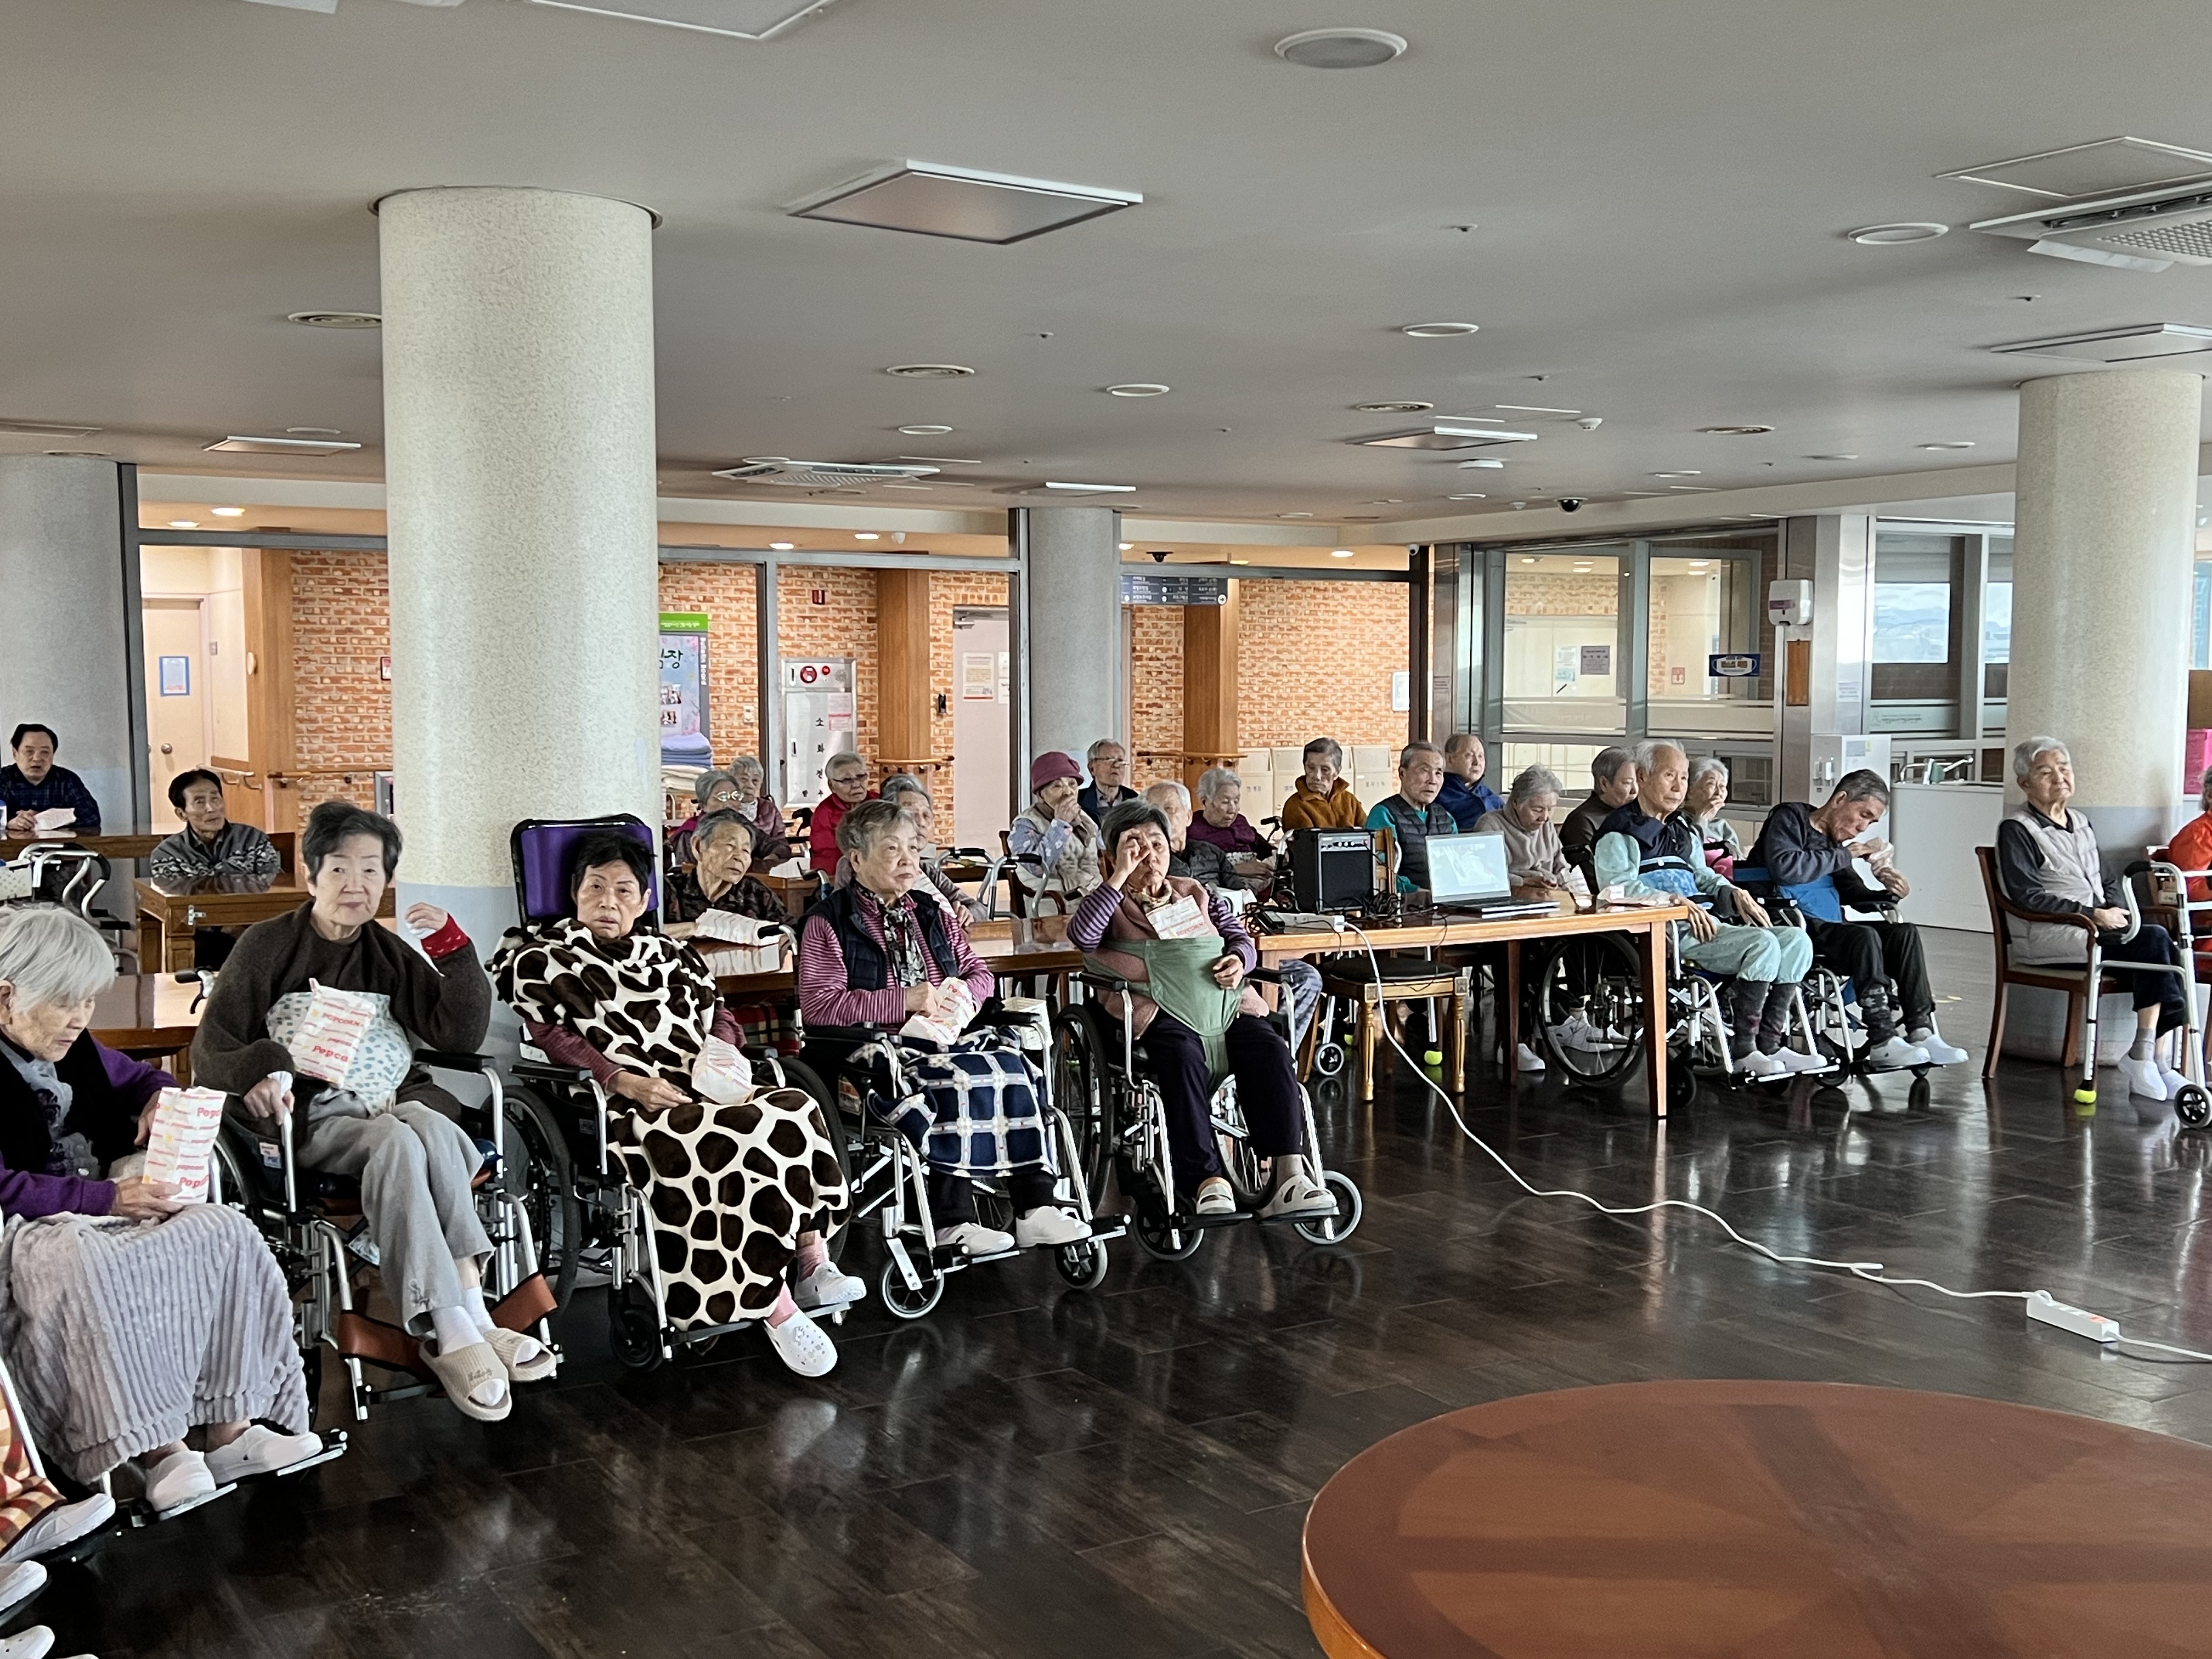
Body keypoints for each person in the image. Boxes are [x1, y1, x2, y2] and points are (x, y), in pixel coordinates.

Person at [191, 800, 550, 1423]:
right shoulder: (268, 945)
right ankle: (447, 1326)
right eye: (339, 869)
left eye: (370, 871)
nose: (354, 885)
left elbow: (455, 1033)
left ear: (386, 881)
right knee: (396, 1140)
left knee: (434, 1126)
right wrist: (263, 1068)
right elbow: (212, 1046)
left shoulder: (385, 951)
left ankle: (474, 1310)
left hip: (392, 1100)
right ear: (311, 875)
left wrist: (454, 952)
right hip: (315, 1115)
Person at [490, 831, 856, 1376]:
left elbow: (720, 1014)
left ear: (644, 900)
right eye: (595, 887)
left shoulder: (672, 955)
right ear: (573, 893)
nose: (608, 902)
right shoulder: (544, 960)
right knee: (713, 1138)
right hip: (631, 1105)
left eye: (623, 890)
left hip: (706, 1086)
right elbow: (554, 1037)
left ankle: (811, 1260)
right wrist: (623, 1080)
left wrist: (720, 1055)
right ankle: (777, 1308)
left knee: (792, 1108)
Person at [0, 906, 326, 1513]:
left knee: (225, 1230)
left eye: (88, 1001)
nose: (80, 1018)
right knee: (93, 1262)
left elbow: (147, 1080)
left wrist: (158, 1099)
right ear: (7, 997)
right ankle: (162, 1453)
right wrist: (101, 1198)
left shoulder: (77, 1047)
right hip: (31, 1227)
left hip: (105, 1205)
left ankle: (232, 1433)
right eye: (65, 1002)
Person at [798, 800, 1088, 1256]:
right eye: (891, 849)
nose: (908, 859)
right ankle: (953, 1220)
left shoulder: (931, 912)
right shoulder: (827, 921)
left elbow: (979, 972)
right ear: (856, 858)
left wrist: (963, 998)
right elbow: (820, 1008)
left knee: (1012, 1063)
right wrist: (904, 1000)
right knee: (954, 1076)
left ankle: (1035, 1206)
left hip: (945, 1035)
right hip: (873, 1047)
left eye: (913, 848)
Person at [1069, 802, 1333, 1220]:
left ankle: (1290, 1175)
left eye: (1157, 843)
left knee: (1269, 1048)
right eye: (1134, 845)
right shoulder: (1108, 903)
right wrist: (1118, 876)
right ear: (1113, 854)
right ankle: (1205, 1179)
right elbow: (1083, 938)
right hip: (1158, 1010)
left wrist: (1239, 961)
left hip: (1222, 1005)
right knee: (1181, 1055)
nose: (1148, 854)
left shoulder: (1194, 892)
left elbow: (1239, 937)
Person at [1593, 741, 1824, 1080]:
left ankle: (1771, 1045)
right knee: (1762, 944)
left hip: (1707, 924)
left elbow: (1702, 874)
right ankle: (1744, 1050)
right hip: (1669, 933)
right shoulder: (1619, 832)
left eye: (1684, 778)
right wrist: (1672, 901)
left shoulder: (1681, 829)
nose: (1679, 786)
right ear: (1642, 777)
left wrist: (1733, 890)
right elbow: (1615, 888)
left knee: (1796, 941)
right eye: (1669, 776)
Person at [1997, 736, 2190, 1101]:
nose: (2059, 778)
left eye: (2064, 768)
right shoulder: (2017, 829)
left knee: (2163, 946)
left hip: (2093, 931)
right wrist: (2092, 914)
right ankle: (2147, 1057)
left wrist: (2117, 913)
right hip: (2051, 933)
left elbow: (2107, 881)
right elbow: (2026, 896)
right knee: (2154, 942)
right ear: (2025, 783)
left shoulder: (2081, 822)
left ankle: (2154, 1057)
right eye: (2045, 772)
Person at [1750, 770, 1968, 1069]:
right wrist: (1846, 855)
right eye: (1863, 815)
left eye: (1871, 822)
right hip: (1792, 926)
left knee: (1904, 933)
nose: (1863, 828)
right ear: (1841, 799)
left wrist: (1890, 892)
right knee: (1863, 936)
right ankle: (1882, 1038)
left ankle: (1922, 1031)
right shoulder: (1790, 819)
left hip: (1830, 929)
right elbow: (1786, 869)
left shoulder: (1833, 844)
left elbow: (1854, 893)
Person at [865, 775, 988, 921]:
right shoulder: (865, 867)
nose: (921, 823)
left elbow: (979, 909)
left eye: (926, 815)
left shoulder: (928, 872)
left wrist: (968, 914)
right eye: (910, 815)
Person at [1007, 752, 1102, 911]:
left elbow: (1102, 856)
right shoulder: (1025, 824)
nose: (1068, 792)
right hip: (1053, 905)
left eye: (1072, 784)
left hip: (1093, 902)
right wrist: (1060, 824)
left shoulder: (1085, 820)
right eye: (1057, 786)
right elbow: (1037, 868)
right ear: (1041, 795)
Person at [149, 769, 280, 884]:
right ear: (182, 814)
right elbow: (175, 898)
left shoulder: (253, 840)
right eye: (200, 802)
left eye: (215, 799)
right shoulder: (168, 854)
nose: (211, 808)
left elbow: (273, 886)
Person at [1365, 742, 1458, 894]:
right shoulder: (1384, 814)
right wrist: (1416, 892)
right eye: (1424, 770)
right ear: (1402, 773)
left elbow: (1458, 866)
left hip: (1447, 900)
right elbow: (1380, 871)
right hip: (1404, 903)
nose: (1433, 780)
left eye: (1438, 773)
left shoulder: (1446, 818)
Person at [666, 812, 789, 927]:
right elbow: (655, 932)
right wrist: (696, 928)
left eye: (746, 850)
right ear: (698, 847)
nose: (739, 857)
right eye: (730, 846)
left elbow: (790, 933)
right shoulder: (670, 890)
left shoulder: (757, 894)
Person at [1476, 765, 1575, 896]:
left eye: (1550, 809)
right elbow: (1482, 876)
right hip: (1509, 898)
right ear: (1516, 803)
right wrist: (1522, 881)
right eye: (1537, 810)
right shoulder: (1490, 825)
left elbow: (1563, 869)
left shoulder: (1547, 827)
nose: (1545, 817)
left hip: (1549, 897)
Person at [0, 726, 100, 837]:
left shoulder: (66, 779)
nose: (37, 758)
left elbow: (92, 817)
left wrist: (48, 821)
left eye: (45, 752)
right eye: (29, 752)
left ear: (53, 755)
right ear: (15, 754)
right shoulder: (3, 778)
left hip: (59, 846)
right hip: (13, 847)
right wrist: (9, 823)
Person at [1187, 769, 1273, 891]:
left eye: (1236, 801)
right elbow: (1191, 872)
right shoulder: (1191, 829)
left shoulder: (1241, 822)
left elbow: (1267, 851)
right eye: (1225, 802)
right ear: (1205, 802)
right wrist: (1234, 870)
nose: (1233, 810)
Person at [1560, 746, 1637, 867]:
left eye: (1638, 782)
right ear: (1604, 784)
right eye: (1627, 783)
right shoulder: (1581, 821)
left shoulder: (1635, 814)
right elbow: (1590, 873)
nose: (1635, 791)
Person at [1680, 757, 1743, 881]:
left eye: (1723, 786)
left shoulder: (1721, 827)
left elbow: (1738, 864)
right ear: (1690, 790)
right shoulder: (1677, 821)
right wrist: (1701, 819)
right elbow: (1691, 858)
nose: (1719, 793)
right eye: (1711, 785)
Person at [1279, 738, 1364, 830]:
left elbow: (1369, 833)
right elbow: (1305, 839)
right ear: (1304, 767)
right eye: (1311, 768)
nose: (1317, 776)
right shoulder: (1296, 805)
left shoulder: (1350, 800)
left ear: (1337, 772)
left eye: (1325, 770)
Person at [808, 753, 873, 871]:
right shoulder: (825, 812)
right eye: (847, 780)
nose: (856, 785)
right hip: (842, 874)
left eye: (861, 777)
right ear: (832, 786)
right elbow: (826, 856)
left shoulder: (879, 803)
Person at [726, 754, 793, 868]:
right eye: (744, 779)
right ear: (731, 781)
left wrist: (772, 857)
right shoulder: (724, 807)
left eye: (755, 781)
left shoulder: (769, 809)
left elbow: (780, 842)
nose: (750, 785)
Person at [1437, 735, 1505, 830]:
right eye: (1469, 755)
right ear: (1450, 759)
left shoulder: (1489, 794)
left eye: (1481, 756)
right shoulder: (1438, 794)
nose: (1477, 762)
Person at [1144, 780, 1197, 878]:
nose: (1162, 816)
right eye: (1154, 810)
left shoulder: (1213, 853)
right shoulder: (1147, 858)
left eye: (1169, 808)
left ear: (1188, 817)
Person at [1077, 739, 1137, 822]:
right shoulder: (1078, 801)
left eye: (1120, 761)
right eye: (1110, 760)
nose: (1116, 765)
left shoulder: (1136, 801)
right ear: (1092, 768)